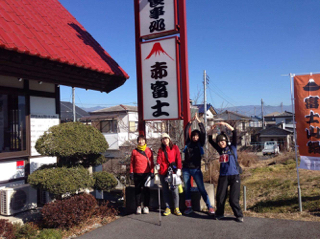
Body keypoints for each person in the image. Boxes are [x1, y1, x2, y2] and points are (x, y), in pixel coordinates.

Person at [208, 122, 244, 222]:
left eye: (222, 141)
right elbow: (210, 140)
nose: (220, 143)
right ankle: (219, 214)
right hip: (223, 176)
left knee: (233, 199)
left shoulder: (232, 147)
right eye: (219, 142)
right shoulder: (220, 150)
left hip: (234, 176)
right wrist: (212, 129)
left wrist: (225, 124)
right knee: (220, 197)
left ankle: (239, 215)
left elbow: (235, 132)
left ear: (226, 140)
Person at [182, 113, 215, 215]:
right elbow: (186, 131)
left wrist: (199, 121)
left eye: (196, 136)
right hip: (186, 169)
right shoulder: (188, 143)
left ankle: (210, 206)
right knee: (187, 189)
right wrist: (191, 122)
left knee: (201, 188)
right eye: (193, 136)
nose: (195, 137)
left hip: (196, 169)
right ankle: (189, 207)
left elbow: (204, 132)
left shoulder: (200, 143)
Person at [156, 133, 182, 216]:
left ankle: (176, 208)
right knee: (165, 190)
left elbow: (178, 158)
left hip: (173, 172)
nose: (165, 140)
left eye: (166, 138)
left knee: (175, 190)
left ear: (169, 139)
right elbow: (159, 158)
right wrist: (158, 164)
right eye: (163, 139)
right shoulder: (161, 149)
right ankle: (168, 207)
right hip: (163, 172)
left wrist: (179, 168)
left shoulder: (175, 147)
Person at [130, 135, 154, 214]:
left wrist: (152, 171)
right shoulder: (134, 151)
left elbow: (152, 162)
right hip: (137, 173)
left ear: (145, 141)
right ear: (137, 141)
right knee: (137, 190)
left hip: (146, 173)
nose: (141, 142)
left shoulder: (148, 150)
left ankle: (146, 206)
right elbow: (132, 163)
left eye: (143, 140)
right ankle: (138, 206)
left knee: (146, 190)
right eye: (139, 140)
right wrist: (131, 172)